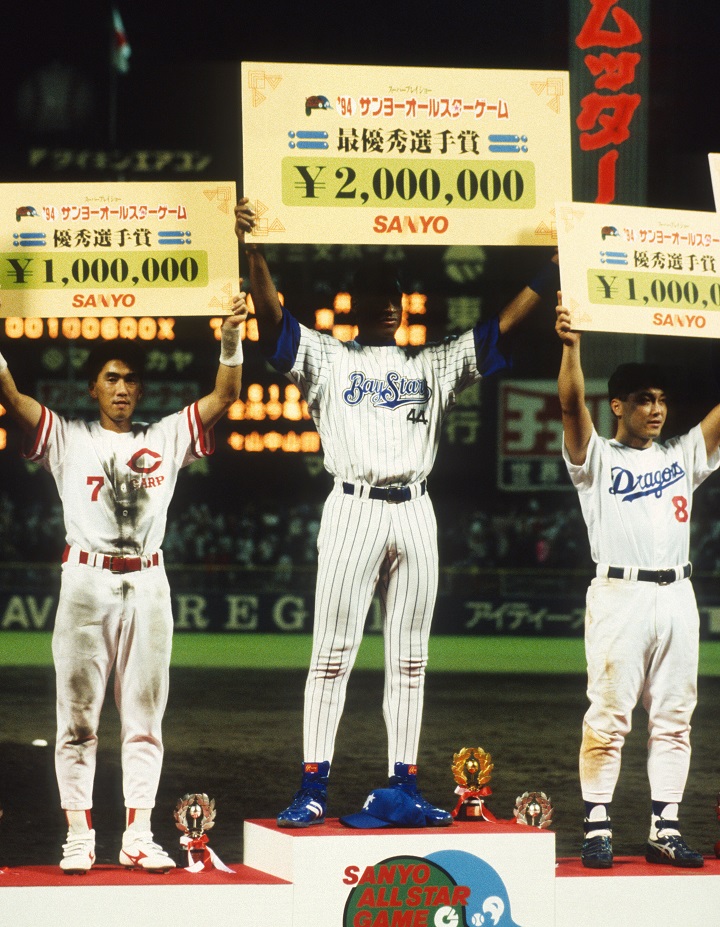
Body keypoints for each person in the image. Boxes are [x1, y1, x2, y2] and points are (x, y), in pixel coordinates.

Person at [234, 197, 559, 827]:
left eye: (395, 295)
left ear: (406, 305)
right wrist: (255, 252)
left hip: (415, 510)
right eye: (374, 295)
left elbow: (500, 327)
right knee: (332, 654)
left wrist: (552, 270)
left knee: (411, 659)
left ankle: (404, 783)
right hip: (353, 508)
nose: (387, 303)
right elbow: (272, 319)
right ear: (352, 305)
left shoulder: (434, 362)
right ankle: (312, 786)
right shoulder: (328, 356)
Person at [0, 292, 248, 873]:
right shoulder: (66, 437)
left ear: (140, 389)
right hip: (85, 581)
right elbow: (10, 396)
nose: (121, 388)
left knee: (144, 719)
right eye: (111, 378)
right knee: (77, 719)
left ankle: (137, 834)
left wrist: (231, 338)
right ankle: (79, 835)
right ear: (93, 388)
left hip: (149, 583)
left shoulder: (164, 436)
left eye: (130, 379)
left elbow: (225, 395)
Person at [556, 297, 720, 869]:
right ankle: (597, 825)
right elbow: (570, 404)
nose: (657, 409)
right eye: (645, 399)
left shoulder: (682, 454)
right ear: (618, 406)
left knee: (675, 718)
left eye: (662, 400)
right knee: (608, 715)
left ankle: (665, 828)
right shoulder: (596, 458)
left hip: (677, 595)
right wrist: (572, 347)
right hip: (619, 594)